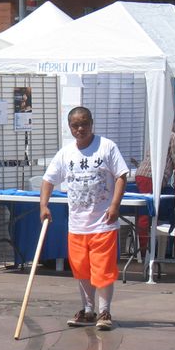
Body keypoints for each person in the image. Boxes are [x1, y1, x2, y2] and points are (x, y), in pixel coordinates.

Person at [40, 106, 129, 331]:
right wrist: (44, 205)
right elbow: (48, 179)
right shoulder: (66, 153)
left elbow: (121, 176)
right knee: (81, 269)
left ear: (92, 123)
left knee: (103, 269)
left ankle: (104, 311)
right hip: (77, 225)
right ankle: (88, 311)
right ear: (70, 127)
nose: (80, 129)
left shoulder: (107, 147)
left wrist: (115, 205)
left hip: (103, 222)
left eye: (84, 124)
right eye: (75, 125)